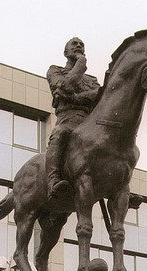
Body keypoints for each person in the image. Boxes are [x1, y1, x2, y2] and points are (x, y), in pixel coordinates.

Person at [46, 37, 100, 203]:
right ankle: (52, 181)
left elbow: (99, 96)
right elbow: (66, 86)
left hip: (90, 122)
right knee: (59, 134)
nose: (78, 46)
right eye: (74, 44)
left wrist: (75, 98)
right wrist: (81, 63)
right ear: (66, 52)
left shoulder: (92, 80)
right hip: (67, 119)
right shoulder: (55, 71)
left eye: (81, 45)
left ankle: (120, 183)